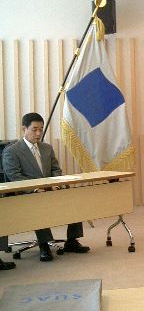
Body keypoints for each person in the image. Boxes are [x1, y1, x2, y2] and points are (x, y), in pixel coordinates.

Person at [2, 112, 90, 262]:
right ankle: (44, 245)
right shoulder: (12, 151)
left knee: (73, 196)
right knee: (38, 200)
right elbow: (14, 176)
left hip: (49, 190)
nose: (38, 133)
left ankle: (72, 241)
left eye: (41, 130)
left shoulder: (47, 148)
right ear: (24, 129)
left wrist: (55, 184)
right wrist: (34, 189)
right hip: (26, 194)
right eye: (34, 129)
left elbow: (56, 170)